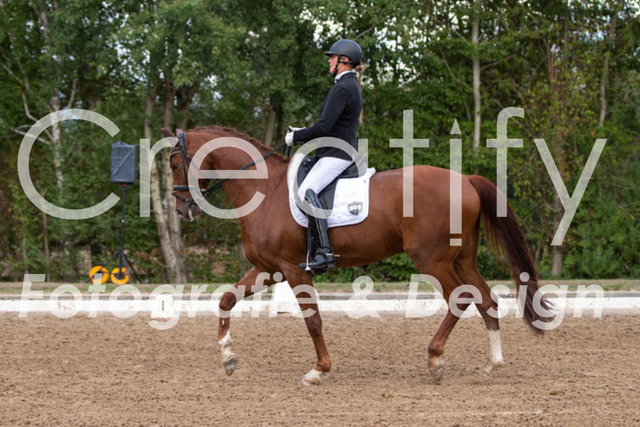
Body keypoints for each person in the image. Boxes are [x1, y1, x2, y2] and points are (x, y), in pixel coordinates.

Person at [285, 39, 363, 273]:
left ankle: (324, 252)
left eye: (333, 58)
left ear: (344, 60)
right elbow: (332, 125)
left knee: (306, 192)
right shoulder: (350, 86)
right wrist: (302, 131)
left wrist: (297, 137)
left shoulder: (342, 88)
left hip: (336, 153)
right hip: (337, 150)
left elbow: (324, 126)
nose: (329, 61)